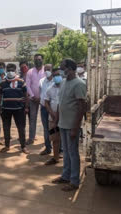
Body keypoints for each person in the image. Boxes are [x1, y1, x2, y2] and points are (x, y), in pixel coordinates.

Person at [52, 59, 86, 192]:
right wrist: (56, 120)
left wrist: (75, 127)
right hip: (63, 124)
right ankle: (65, 176)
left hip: (72, 125)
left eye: (62, 68)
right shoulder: (64, 82)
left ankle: (74, 181)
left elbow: (81, 107)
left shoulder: (79, 84)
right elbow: (61, 103)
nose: (61, 71)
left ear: (70, 68)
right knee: (66, 152)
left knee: (73, 153)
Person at [0, 63, 29, 154]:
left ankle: (23, 146)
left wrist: (26, 107)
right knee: (6, 127)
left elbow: (26, 95)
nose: (10, 72)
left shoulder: (21, 82)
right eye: (8, 70)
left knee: (21, 128)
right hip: (6, 109)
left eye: (12, 70)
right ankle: (7, 146)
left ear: (15, 71)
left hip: (19, 109)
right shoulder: (2, 83)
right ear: (6, 71)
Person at [26, 54, 46, 145]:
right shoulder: (30, 71)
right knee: (32, 119)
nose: (38, 61)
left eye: (39, 59)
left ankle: (48, 139)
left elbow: (47, 85)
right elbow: (28, 85)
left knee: (45, 119)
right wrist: (33, 96)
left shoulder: (46, 70)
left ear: (42, 60)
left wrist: (41, 97)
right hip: (33, 99)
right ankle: (31, 138)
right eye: (36, 59)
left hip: (44, 99)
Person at [44, 69, 63, 165]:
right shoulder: (50, 88)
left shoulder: (66, 87)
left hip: (64, 118)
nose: (56, 77)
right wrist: (51, 113)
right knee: (55, 138)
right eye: (54, 75)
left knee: (66, 139)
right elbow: (46, 102)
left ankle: (67, 158)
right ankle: (55, 158)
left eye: (58, 75)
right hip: (53, 118)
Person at [39, 64, 54, 155]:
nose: (47, 71)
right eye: (45, 69)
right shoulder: (41, 81)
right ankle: (48, 147)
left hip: (53, 108)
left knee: (55, 127)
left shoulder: (55, 81)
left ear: (52, 70)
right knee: (46, 128)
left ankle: (58, 149)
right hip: (44, 107)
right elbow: (41, 93)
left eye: (48, 69)